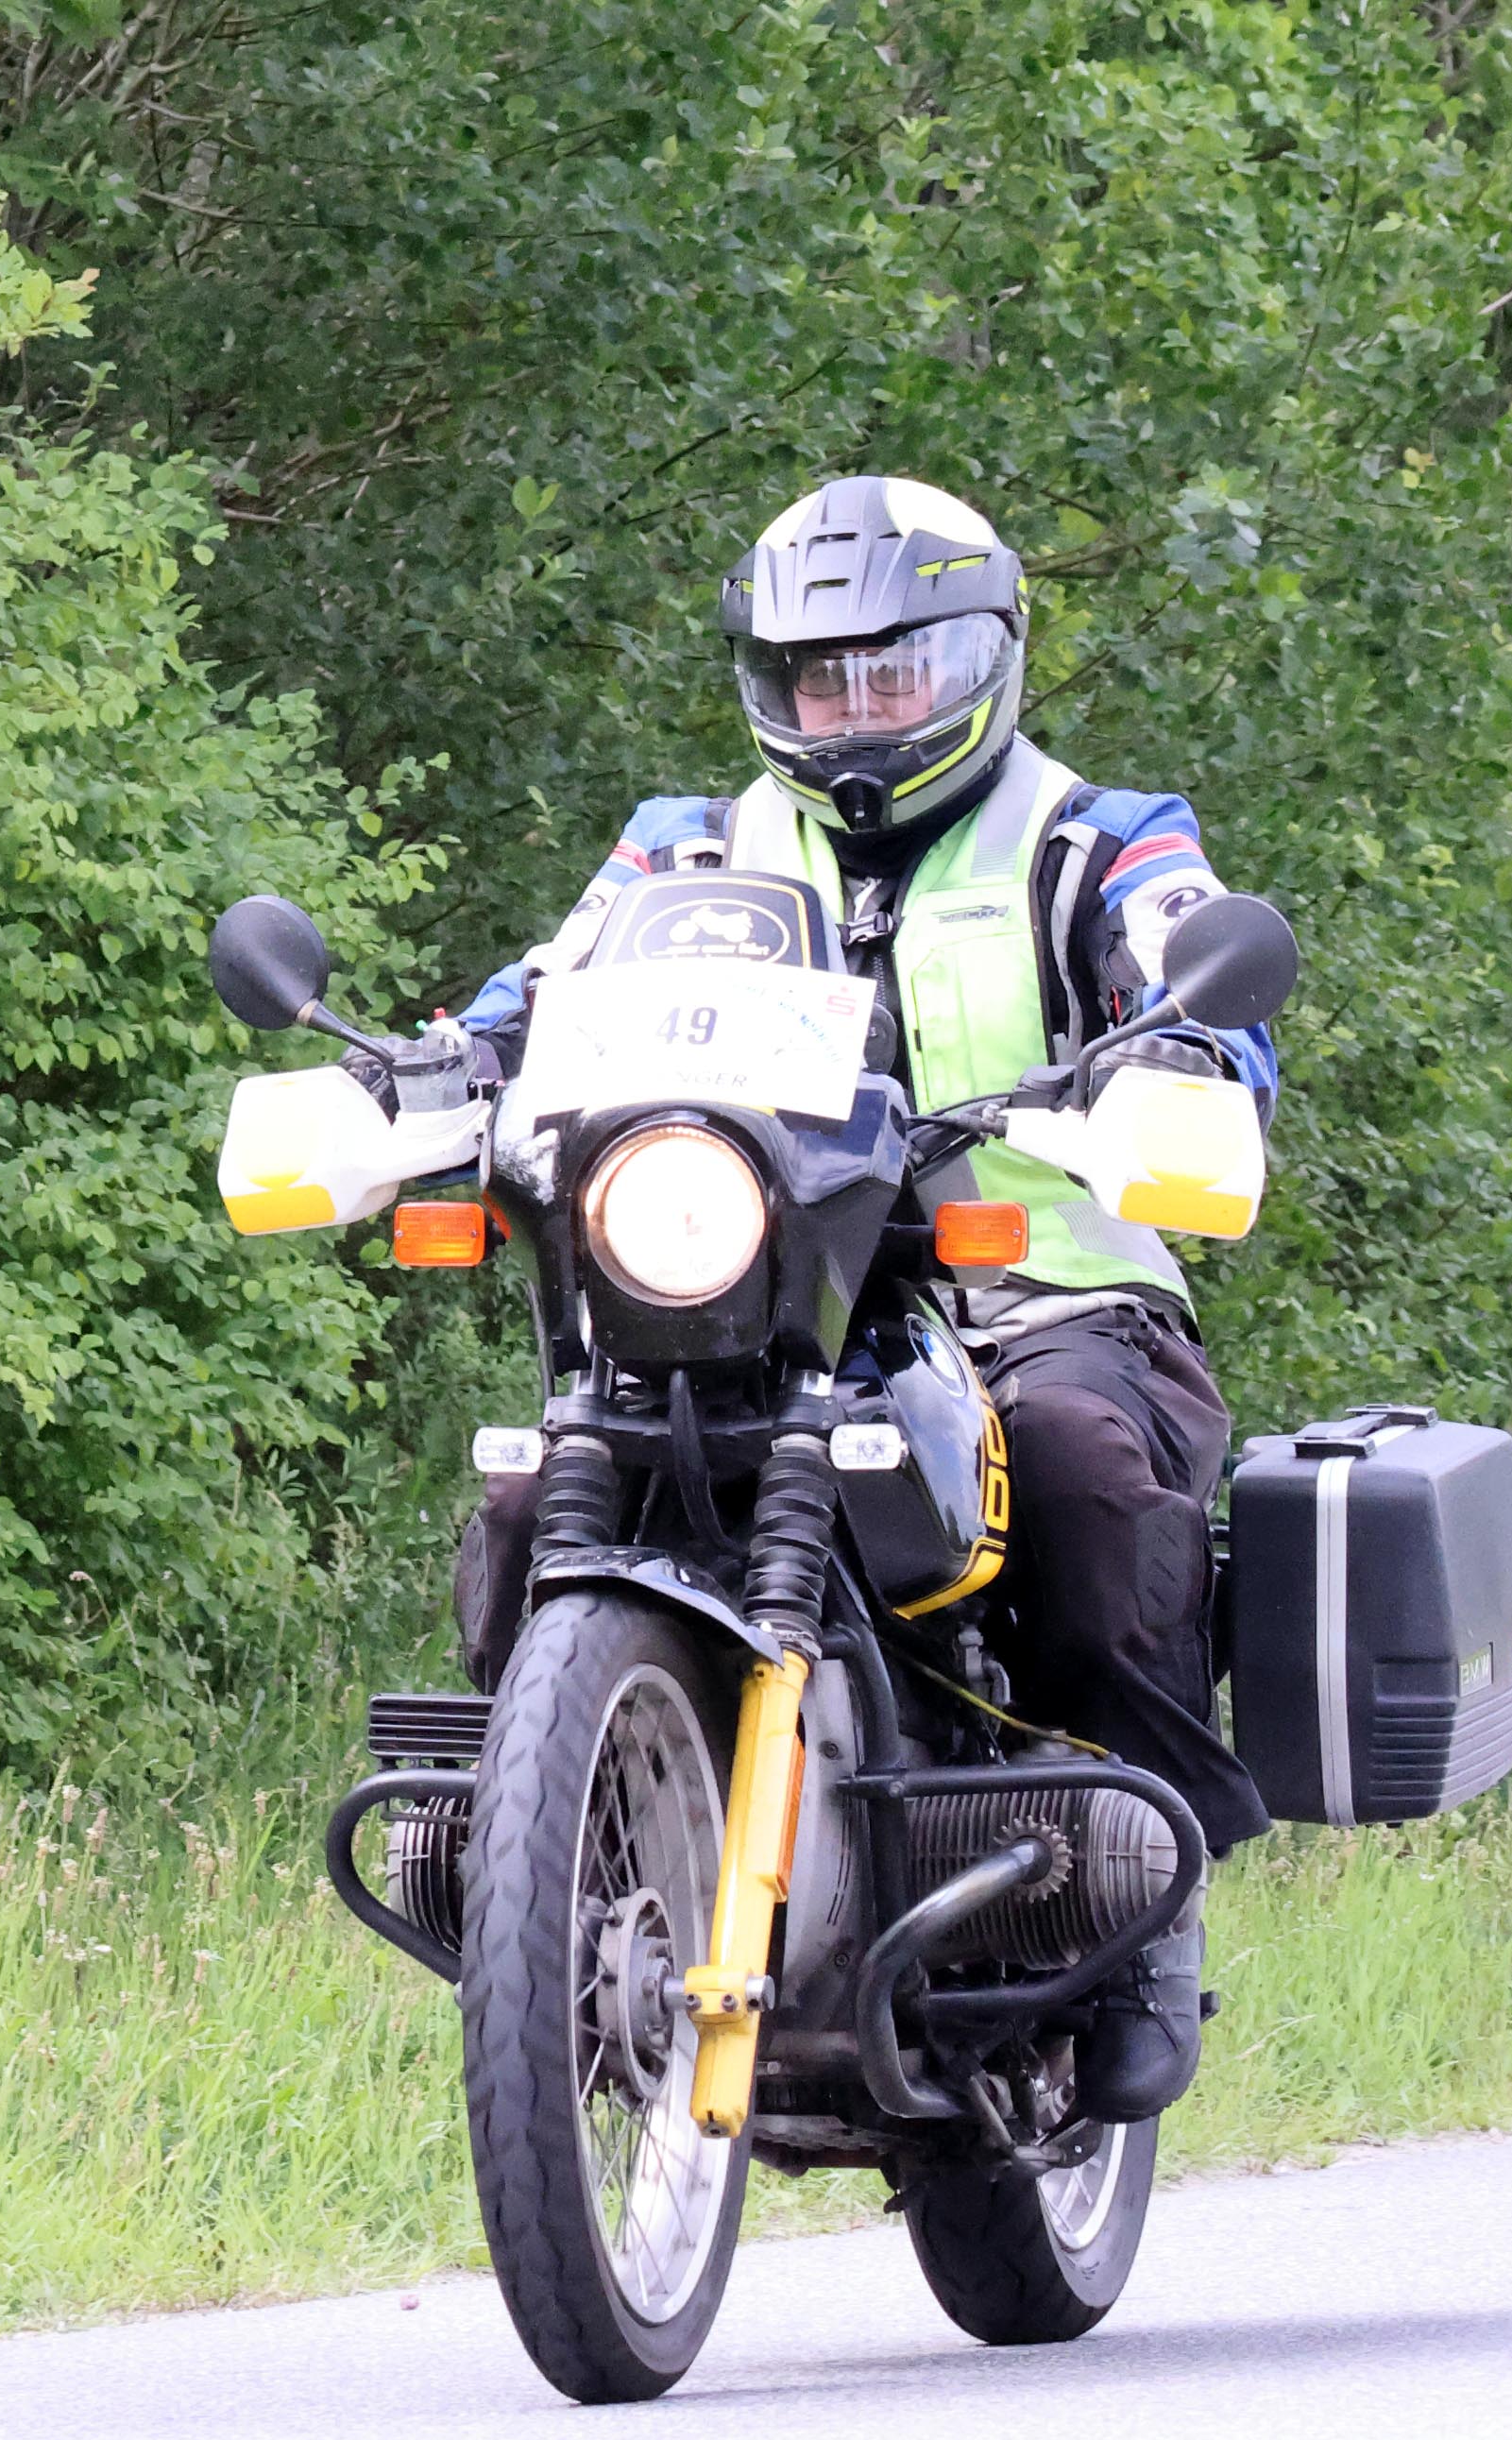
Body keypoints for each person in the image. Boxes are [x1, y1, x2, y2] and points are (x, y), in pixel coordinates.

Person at [452, 473, 1279, 2123]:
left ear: (984, 658)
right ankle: (545, 1853)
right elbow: (543, 984)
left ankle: (1140, 1899)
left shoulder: (1099, 836)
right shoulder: (686, 849)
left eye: (892, 673)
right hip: (759, 1298)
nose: (854, 711)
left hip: (1040, 1293)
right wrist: (444, 1059)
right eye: (817, 680)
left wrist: (1187, 1054)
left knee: (1075, 1469)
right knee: (537, 1488)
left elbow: (1196, 970)